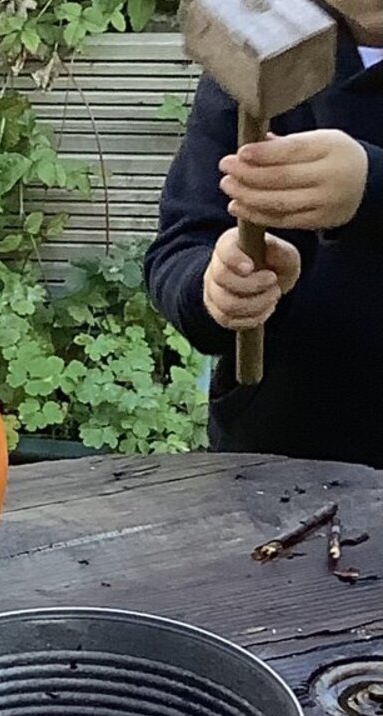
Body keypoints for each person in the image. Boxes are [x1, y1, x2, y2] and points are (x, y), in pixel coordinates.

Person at [144, 0, 383, 469]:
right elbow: (180, 245)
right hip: (282, 458)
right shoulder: (260, 49)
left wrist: (371, 186)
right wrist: (216, 286)